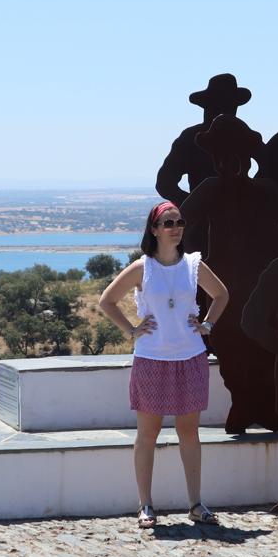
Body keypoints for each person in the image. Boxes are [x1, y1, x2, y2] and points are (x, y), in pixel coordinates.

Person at [97, 202, 230, 528]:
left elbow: (222, 295)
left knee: (189, 433)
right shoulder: (143, 268)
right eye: (168, 222)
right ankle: (145, 505)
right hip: (152, 359)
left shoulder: (194, 265)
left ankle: (196, 505)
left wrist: (208, 326)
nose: (175, 227)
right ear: (154, 229)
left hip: (189, 357)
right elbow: (107, 301)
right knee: (148, 434)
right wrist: (131, 330)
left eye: (179, 221)